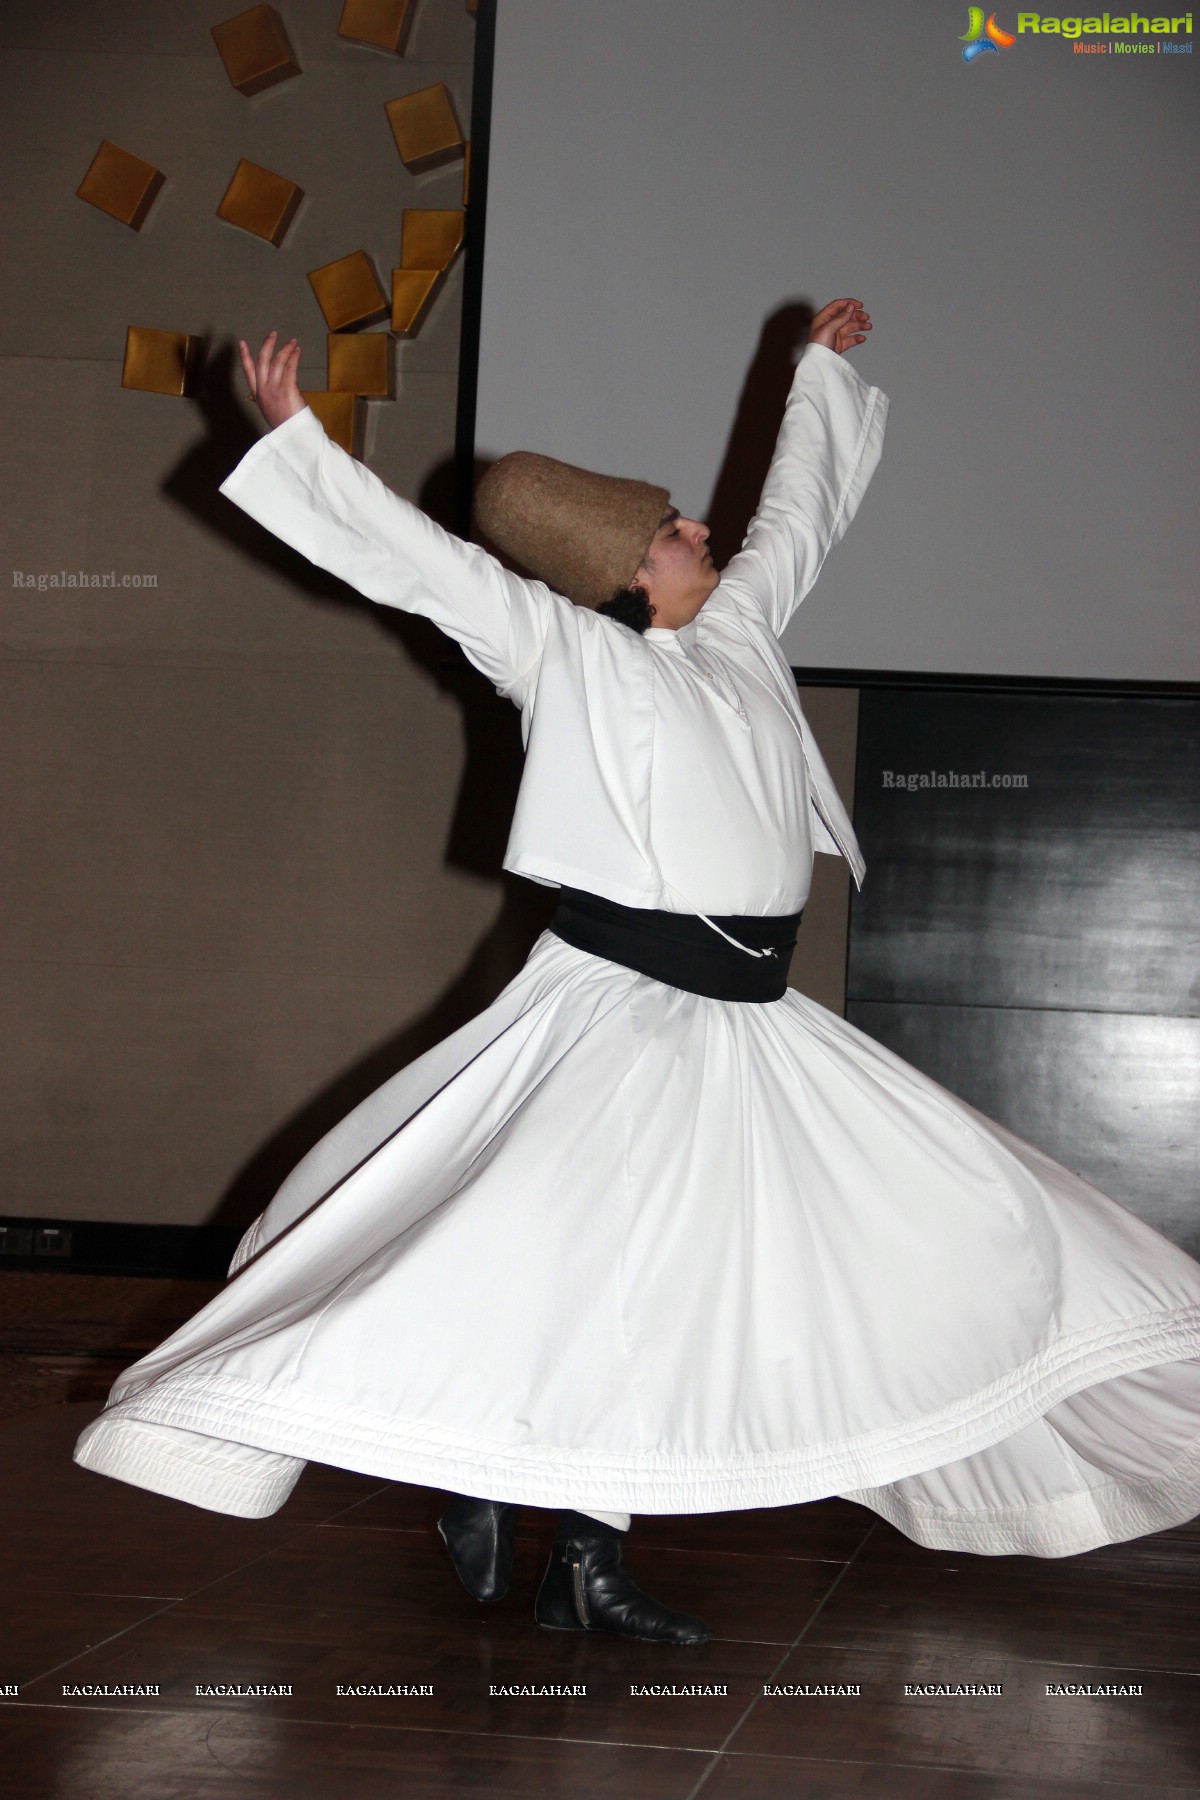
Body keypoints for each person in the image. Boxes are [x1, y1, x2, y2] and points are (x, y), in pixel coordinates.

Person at [75, 301, 1200, 1650]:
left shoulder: (739, 639)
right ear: (625, 571)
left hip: (747, 1023)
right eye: (675, 531)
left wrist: (822, 372)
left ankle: (537, 1531)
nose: (702, 533)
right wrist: (299, 442)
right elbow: (428, 570)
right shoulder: (573, 659)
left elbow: (799, 518)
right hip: (623, 1013)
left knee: (913, 1223)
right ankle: (549, 1530)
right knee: (596, 1273)